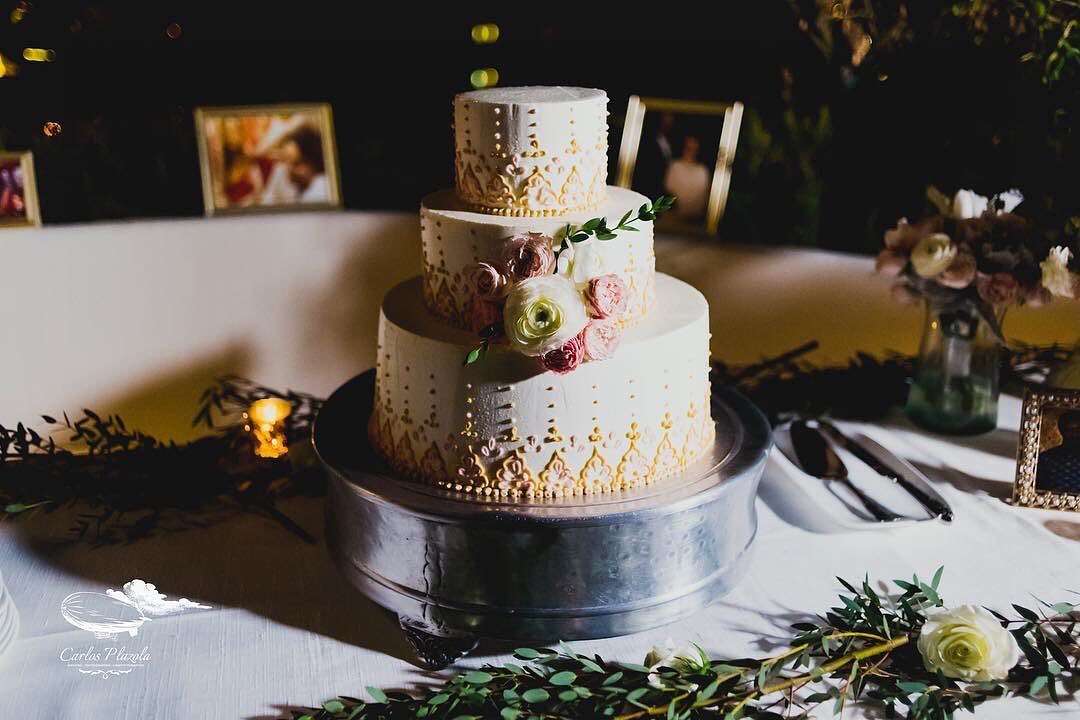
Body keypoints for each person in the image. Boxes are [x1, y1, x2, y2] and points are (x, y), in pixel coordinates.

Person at [260, 124, 328, 205]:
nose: (288, 169)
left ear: (315, 163)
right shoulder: (282, 170)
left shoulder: (321, 191)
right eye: (285, 160)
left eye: (297, 163)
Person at [663, 135, 709, 220]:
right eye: (688, 148)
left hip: (696, 220)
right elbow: (668, 190)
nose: (691, 152)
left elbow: (705, 197)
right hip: (674, 218)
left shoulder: (703, 171)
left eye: (694, 149)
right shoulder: (675, 167)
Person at [1036, 409, 1080, 494]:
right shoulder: (1046, 459)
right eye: (1070, 430)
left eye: (1078, 430)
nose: (1074, 434)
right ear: (1062, 432)